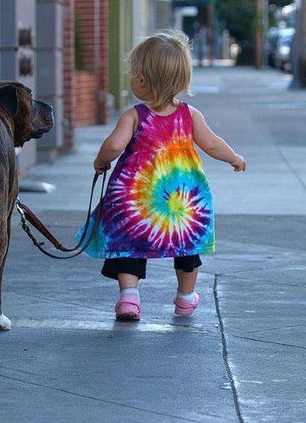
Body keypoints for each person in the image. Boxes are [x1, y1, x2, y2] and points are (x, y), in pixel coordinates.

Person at [77, 30, 246, 321]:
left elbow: (115, 145)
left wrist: (100, 161)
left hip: (137, 201)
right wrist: (234, 158)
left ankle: (129, 298)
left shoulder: (134, 115)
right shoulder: (189, 115)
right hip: (181, 201)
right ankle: (185, 298)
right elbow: (213, 143)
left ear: (142, 80)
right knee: (187, 249)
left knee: (129, 246)